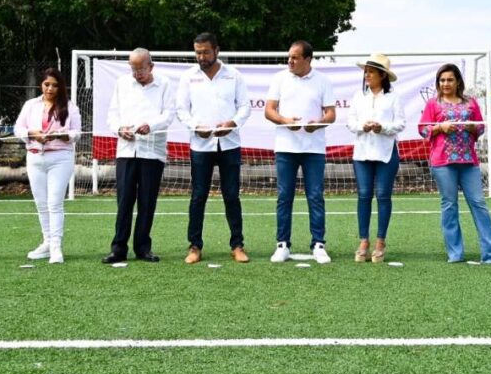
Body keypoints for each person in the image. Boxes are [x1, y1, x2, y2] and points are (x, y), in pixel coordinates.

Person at [419, 64, 491, 264]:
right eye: (442, 80)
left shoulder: (471, 103)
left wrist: (472, 127)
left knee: (478, 203)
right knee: (449, 205)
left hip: (469, 161)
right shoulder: (433, 104)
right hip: (443, 161)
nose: (446, 84)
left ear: (458, 81)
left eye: (450, 79)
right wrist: (439, 127)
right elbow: (423, 129)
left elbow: (481, 127)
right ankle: (455, 253)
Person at [176, 32, 251, 264]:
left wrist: (232, 123)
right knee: (198, 196)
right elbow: (181, 110)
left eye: (206, 51)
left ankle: (237, 245)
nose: (201, 56)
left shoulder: (233, 75)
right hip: (200, 145)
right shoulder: (188, 77)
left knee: (231, 195)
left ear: (217, 50)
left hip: (229, 144)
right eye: (198, 52)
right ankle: (195, 246)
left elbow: (245, 106)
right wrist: (194, 126)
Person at [265, 40, 336, 264]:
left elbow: (331, 114)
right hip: (286, 147)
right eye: (289, 57)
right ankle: (282, 244)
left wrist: (319, 123)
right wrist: (285, 121)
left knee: (315, 196)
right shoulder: (279, 78)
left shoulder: (323, 81)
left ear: (307, 59)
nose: (290, 61)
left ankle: (318, 244)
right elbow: (269, 110)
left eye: (295, 57)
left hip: (314, 149)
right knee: (284, 196)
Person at [102, 48, 174, 264]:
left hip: (153, 151)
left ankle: (143, 248)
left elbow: (169, 114)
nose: (137, 73)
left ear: (151, 66)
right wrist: (119, 129)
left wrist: (150, 125)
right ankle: (118, 248)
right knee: (124, 201)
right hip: (126, 150)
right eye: (133, 69)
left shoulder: (165, 84)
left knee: (147, 201)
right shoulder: (122, 83)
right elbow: (112, 114)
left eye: (140, 69)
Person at [14, 68, 81, 264]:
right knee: (41, 203)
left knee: (54, 203)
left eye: (54, 85)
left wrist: (62, 134)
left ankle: (56, 247)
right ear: (41, 85)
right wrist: (32, 134)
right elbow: (19, 128)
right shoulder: (31, 105)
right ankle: (46, 242)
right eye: (46, 84)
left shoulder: (69, 106)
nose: (50, 88)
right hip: (35, 157)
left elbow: (77, 133)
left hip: (60, 157)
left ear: (61, 87)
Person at [347, 53, 405, 263]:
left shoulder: (393, 98)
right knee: (363, 195)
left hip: (386, 152)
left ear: (382, 75)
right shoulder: (357, 97)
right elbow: (350, 122)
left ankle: (380, 241)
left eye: (371, 72)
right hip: (362, 153)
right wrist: (362, 126)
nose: (367, 75)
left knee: (382, 195)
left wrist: (383, 127)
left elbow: (400, 123)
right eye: (366, 72)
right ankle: (364, 240)